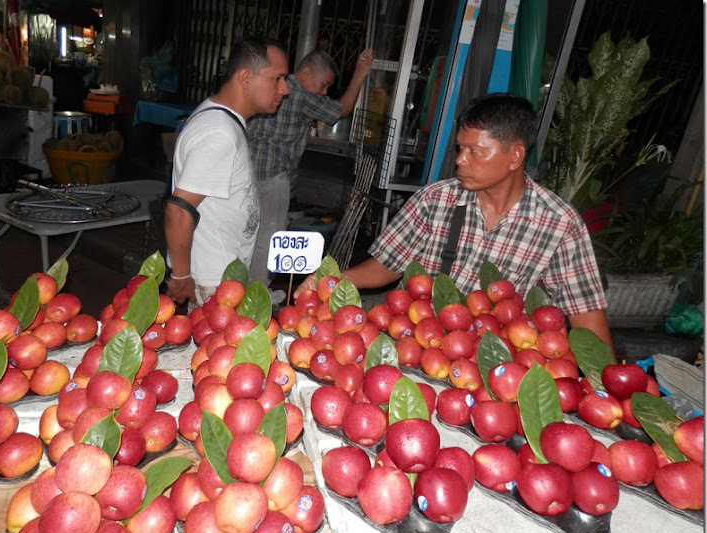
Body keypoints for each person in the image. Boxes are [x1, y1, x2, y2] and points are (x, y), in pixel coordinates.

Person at [295, 93, 615, 353]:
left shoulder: (559, 225)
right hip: (418, 346)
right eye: (461, 148)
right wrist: (330, 279)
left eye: (476, 151)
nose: (461, 159)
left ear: (515, 156)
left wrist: (607, 387)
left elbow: (588, 322)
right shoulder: (435, 200)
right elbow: (385, 267)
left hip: (496, 368)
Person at [164, 36, 290, 306]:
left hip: (223, 280)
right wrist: (181, 275)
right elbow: (178, 209)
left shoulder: (223, 120)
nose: (285, 89)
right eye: (277, 79)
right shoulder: (218, 131)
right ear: (245, 77)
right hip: (215, 284)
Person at [246, 47, 375, 285]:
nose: (324, 92)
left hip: (250, 171)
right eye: (323, 84)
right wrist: (359, 75)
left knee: (249, 233)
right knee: (269, 236)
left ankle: (241, 285)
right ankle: (258, 292)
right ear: (305, 73)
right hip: (273, 177)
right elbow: (342, 110)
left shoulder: (274, 88)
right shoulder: (298, 95)